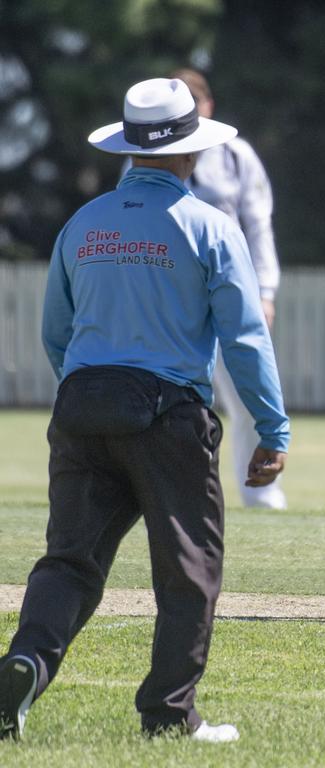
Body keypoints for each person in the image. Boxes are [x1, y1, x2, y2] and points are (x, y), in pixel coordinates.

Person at [0, 78, 289, 742]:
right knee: (189, 571)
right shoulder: (209, 228)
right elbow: (245, 339)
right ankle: (169, 714)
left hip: (82, 410)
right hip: (168, 419)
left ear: (130, 147)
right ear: (192, 153)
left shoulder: (83, 224)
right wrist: (272, 429)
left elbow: (55, 332)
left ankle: (25, 664)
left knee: (68, 562)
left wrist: (91, 393)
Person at [169, 68, 288, 509]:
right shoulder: (142, 152)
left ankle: (261, 491)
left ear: (208, 108)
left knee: (245, 392)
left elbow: (259, 226)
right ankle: (169, 494)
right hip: (172, 288)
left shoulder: (236, 155)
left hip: (230, 285)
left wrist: (267, 290)